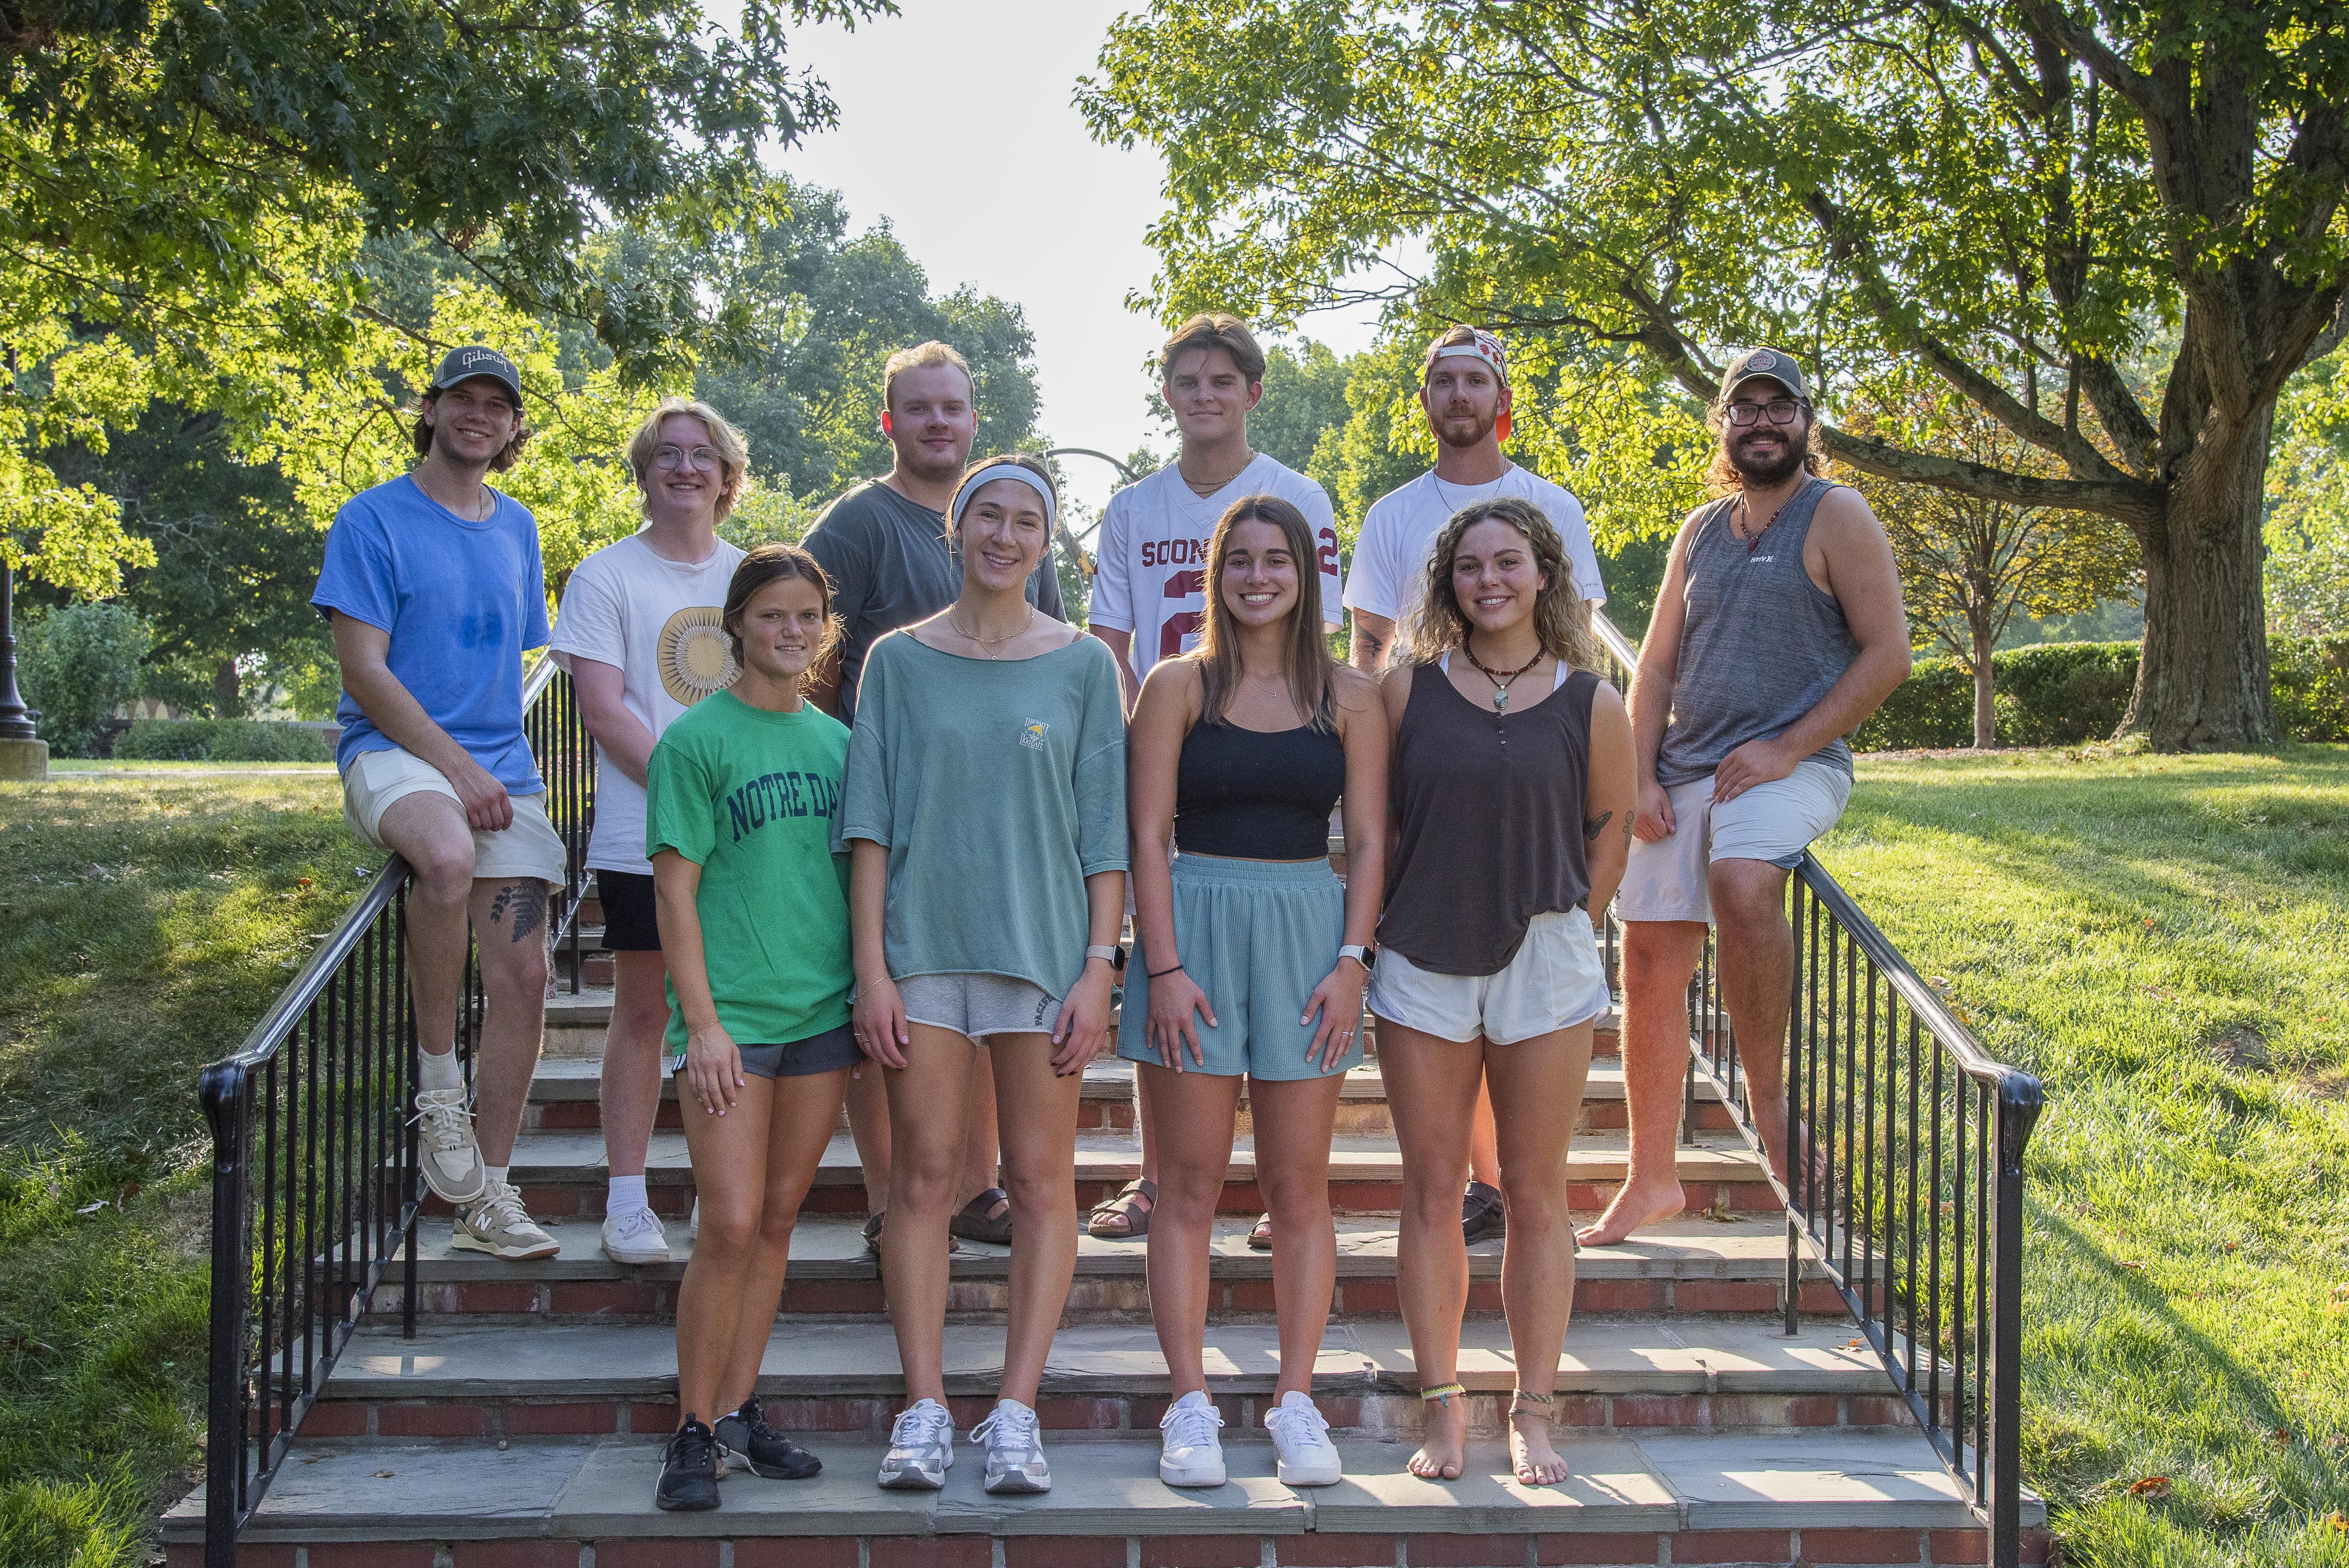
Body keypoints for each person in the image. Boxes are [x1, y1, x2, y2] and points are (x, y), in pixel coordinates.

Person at [838, 455, 1127, 1496]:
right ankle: (923, 1408)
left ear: (1047, 545)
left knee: (1045, 1186)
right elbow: (867, 826)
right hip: (922, 957)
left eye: (1027, 523)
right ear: (954, 530)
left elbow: (1107, 840)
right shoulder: (896, 661)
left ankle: (1015, 1411)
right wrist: (871, 968)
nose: (1006, 536)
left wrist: (1101, 967)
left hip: (1045, 962)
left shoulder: (1086, 664)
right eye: (987, 517)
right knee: (922, 1179)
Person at [1579, 349, 1910, 1246]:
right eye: (1745, 409)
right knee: (1645, 962)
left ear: (1808, 421)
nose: (1763, 423)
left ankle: (1769, 1106)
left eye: (1781, 407)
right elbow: (1652, 666)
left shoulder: (1836, 514)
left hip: (1795, 766)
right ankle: (1652, 1178)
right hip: (1686, 767)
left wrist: (1785, 747)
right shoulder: (1700, 528)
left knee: (1743, 880)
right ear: (1723, 426)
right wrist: (1640, 774)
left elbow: (1889, 656)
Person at [1120, 494, 1385, 1491]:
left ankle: (1296, 1399)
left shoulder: (1353, 697)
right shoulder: (1176, 684)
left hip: (1307, 937)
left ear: (1307, 573)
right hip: (1193, 931)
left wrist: (1355, 958)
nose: (1260, 575)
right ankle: (1188, 1405)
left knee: (1297, 1188)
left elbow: (1367, 841)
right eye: (1242, 560)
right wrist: (1164, 965)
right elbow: (1147, 833)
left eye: (1279, 559)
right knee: (1184, 1187)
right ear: (1217, 573)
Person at [1369, 497, 1635, 1487]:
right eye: (1470, 566)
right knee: (1435, 1188)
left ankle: (1533, 1410)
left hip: (1545, 963)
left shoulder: (1590, 699)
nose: (1490, 580)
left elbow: (1611, 830)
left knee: (1534, 1191)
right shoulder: (1405, 693)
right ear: (1448, 582)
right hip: (1423, 959)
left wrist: (1574, 922)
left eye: (1508, 562)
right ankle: (1442, 1407)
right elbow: (1377, 826)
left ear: (1543, 574)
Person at [1341, 325, 1608, 1248]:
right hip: (1427, 746)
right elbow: (1371, 642)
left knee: (1517, 970)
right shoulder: (1393, 515)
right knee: (1443, 947)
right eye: (1442, 381)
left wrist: (1586, 907)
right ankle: (1463, 1181)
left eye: (1475, 380)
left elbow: (1578, 631)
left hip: (1530, 749)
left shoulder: (1551, 504)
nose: (1459, 394)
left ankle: (1499, 1184)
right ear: (1425, 400)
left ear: (1501, 399)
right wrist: (1370, 737)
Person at [1085, 311, 1342, 1245]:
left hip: (1264, 742)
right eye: (1188, 382)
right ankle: (1159, 1180)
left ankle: (1285, 1193)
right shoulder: (1135, 508)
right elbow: (1109, 639)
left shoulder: (1297, 497)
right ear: (1169, 395)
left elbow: (1317, 626)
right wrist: (1144, 732)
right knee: (1169, 971)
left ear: (1252, 392)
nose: (1205, 396)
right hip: (1173, 737)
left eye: (1222, 381)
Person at [804, 341, 1066, 1254]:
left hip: (998, 820)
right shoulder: (858, 525)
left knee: (986, 999)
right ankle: (890, 1198)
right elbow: (804, 650)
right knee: (890, 1020)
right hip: (886, 810)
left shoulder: (1017, 515)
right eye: (919, 409)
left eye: (952, 407)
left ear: (973, 418)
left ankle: (977, 1186)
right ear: (891, 421)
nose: (938, 422)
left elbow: (1054, 639)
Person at [314, 344, 566, 1263]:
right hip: (394, 754)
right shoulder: (372, 519)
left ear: (512, 429)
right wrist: (457, 769)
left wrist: (488, 769)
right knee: (448, 856)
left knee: (529, 978)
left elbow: (517, 660)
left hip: (506, 768)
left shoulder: (519, 527)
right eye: (463, 397)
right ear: (430, 409)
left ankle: (490, 1198)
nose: (479, 414)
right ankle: (436, 1086)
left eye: (498, 405)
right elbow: (364, 671)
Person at [647, 544, 857, 1511]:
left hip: (822, 1016)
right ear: (737, 625)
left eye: (806, 616)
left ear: (825, 627)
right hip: (732, 1022)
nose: (790, 631)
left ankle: (737, 1410)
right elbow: (675, 897)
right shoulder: (697, 742)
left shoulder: (839, 746)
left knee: (775, 1221)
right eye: (771, 615)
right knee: (727, 1225)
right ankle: (690, 1429)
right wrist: (702, 1025)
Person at [549, 398, 749, 1265]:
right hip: (645, 838)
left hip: (747, 838)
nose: (685, 467)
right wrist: (689, 797)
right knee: (642, 1009)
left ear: (727, 477)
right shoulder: (605, 576)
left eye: (703, 454)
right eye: (666, 453)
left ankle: (723, 1190)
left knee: (733, 1010)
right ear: (643, 472)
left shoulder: (751, 577)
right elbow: (604, 709)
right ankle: (627, 1201)